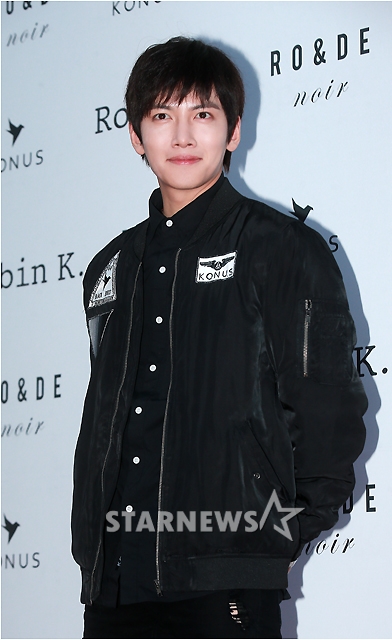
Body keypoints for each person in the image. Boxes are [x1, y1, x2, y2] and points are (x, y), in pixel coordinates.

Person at [71, 37, 367, 639]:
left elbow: (329, 416)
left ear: (232, 132)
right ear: (136, 136)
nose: (182, 136)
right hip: (113, 586)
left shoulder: (281, 249)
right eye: (162, 115)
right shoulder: (111, 267)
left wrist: (268, 538)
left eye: (202, 114)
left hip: (224, 591)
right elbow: (106, 418)